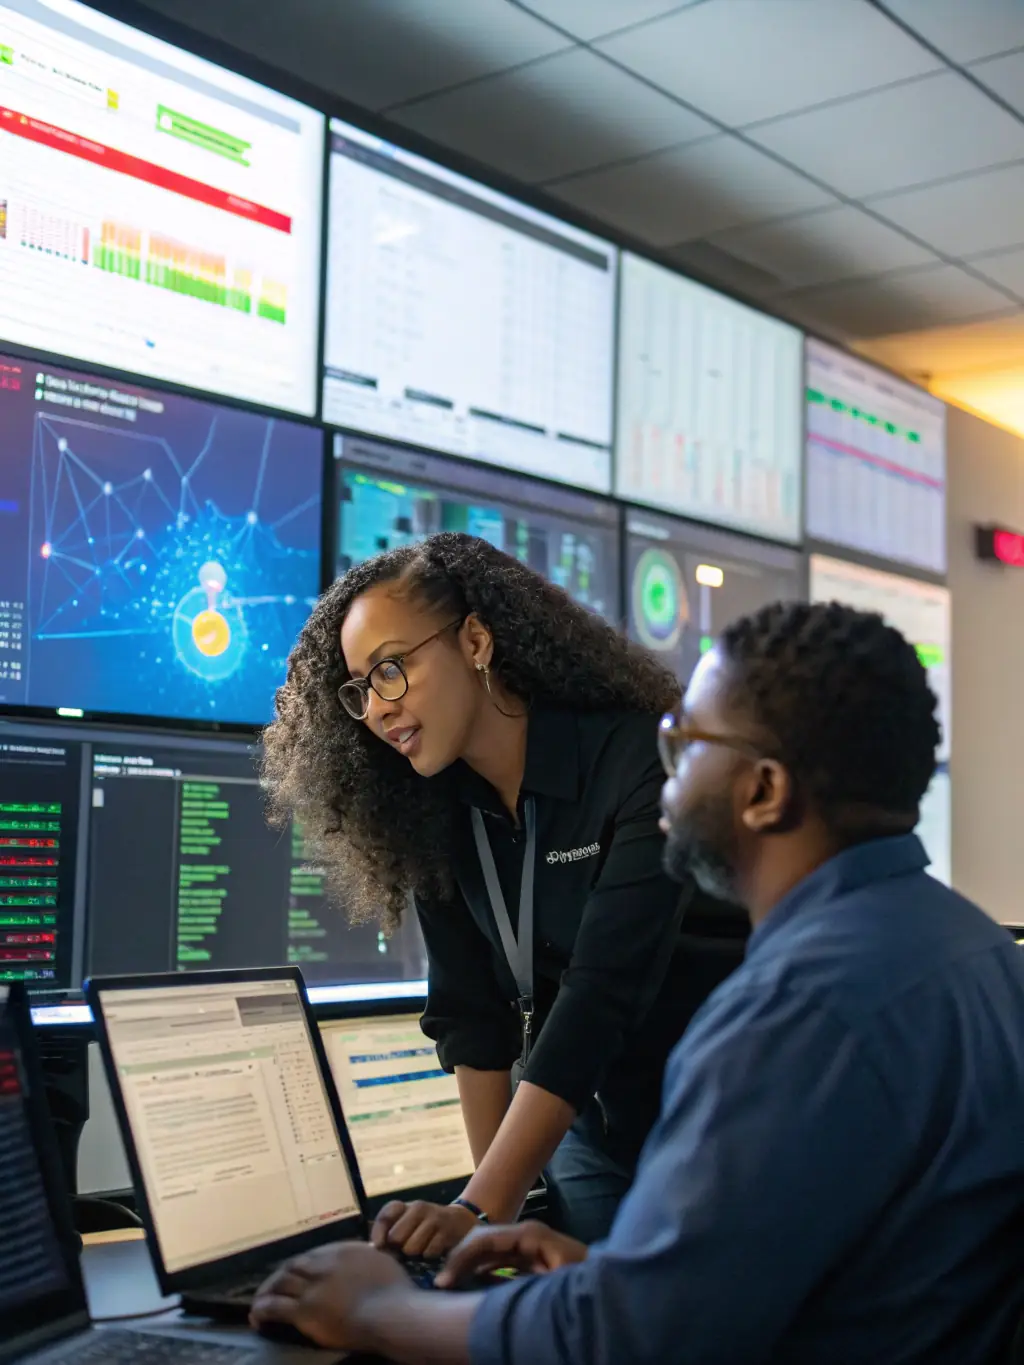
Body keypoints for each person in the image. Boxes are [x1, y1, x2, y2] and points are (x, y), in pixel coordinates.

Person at [252, 600, 1024, 1365]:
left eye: (686, 741)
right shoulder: (982, 955)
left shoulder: (791, 1014)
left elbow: (629, 1338)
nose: (665, 769)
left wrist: (381, 1309)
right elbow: (864, 1271)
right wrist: (615, 1275)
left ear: (763, 790)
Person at [262, 531, 746, 1249]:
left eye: (392, 669)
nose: (376, 708)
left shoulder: (637, 762)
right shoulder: (435, 810)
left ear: (478, 641)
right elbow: (472, 1015)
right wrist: (485, 1227)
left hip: (724, 1126)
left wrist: (482, 1206)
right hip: (593, 1133)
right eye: (361, 688)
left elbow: (600, 996)